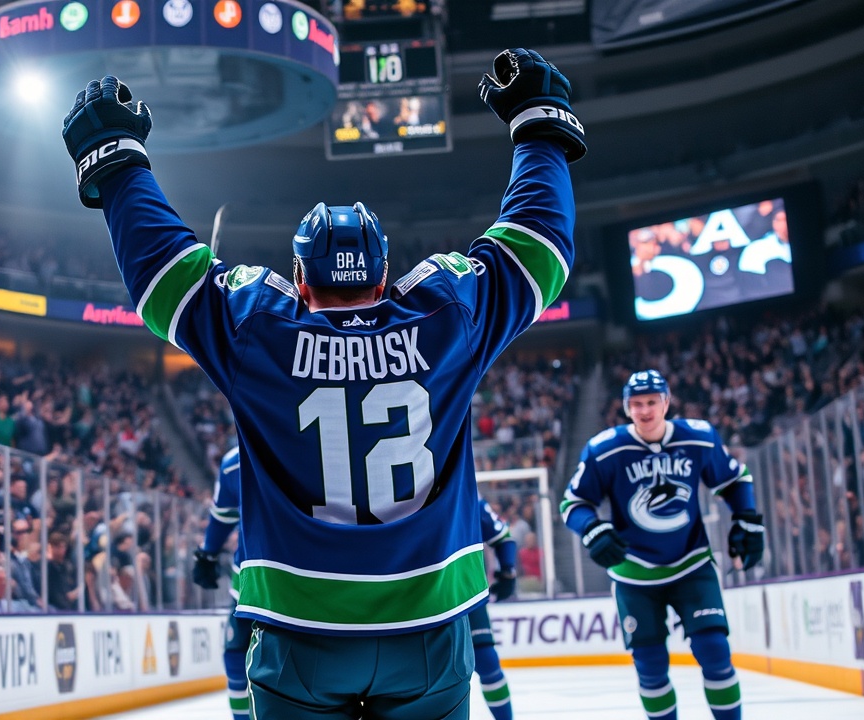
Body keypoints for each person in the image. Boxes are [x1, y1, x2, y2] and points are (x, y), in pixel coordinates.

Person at [64, 46, 583, 718]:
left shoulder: (257, 327)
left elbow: (161, 273)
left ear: (299, 278)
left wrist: (115, 157)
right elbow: (539, 246)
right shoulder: (448, 314)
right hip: (430, 627)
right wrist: (538, 122)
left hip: (298, 631)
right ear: (385, 272)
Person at [562, 370, 765, 720]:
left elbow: (735, 479)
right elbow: (573, 503)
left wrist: (746, 517)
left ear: (667, 402)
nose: (645, 410)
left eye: (652, 402)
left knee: (716, 653)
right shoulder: (604, 449)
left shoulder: (699, 437)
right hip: (634, 573)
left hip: (691, 563)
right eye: (637, 404)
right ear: (626, 407)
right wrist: (592, 529)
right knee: (651, 667)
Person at [191, 446, 250, 720]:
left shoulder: (235, 462)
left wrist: (208, 552)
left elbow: (223, 516)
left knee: (237, 654)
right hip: (319, 575)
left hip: (253, 576)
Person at [473, 496, 518, 720]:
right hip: (418, 594)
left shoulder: (462, 492)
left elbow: (503, 537)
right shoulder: (462, 490)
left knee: (486, 661)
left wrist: (508, 570)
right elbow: (504, 538)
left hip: (464, 592)